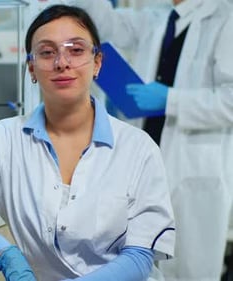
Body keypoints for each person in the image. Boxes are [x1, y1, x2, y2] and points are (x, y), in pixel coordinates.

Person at [0, 4, 175, 281]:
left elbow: (140, 257)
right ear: (31, 67)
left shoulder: (137, 147)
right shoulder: (6, 138)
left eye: (76, 50)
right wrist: (5, 254)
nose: (62, 62)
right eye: (47, 52)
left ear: (98, 63)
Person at [65, 0, 233, 280]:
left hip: (195, 178)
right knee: (146, 266)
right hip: (147, 169)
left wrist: (171, 100)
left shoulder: (225, 17)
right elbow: (101, 23)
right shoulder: (157, 17)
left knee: (191, 270)